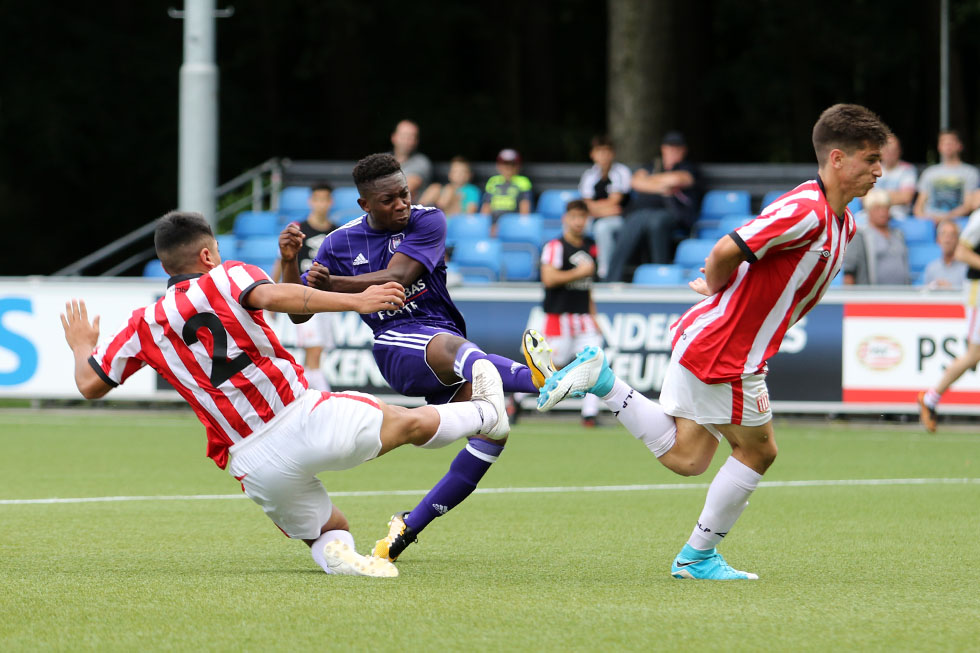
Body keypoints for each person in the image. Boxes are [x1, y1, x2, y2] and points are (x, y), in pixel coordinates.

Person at [534, 104, 889, 580]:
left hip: (714, 341)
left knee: (689, 457)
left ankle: (604, 383)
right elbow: (726, 248)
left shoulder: (841, 221)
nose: (878, 170)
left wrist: (728, 293)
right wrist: (722, 289)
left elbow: (760, 265)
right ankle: (697, 557)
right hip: (727, 353)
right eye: (870, 159)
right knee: (759, 451)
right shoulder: (807, 210)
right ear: (839, 159)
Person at [61, 211, 512, 578]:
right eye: (215, 250)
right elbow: (282, 299)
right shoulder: (228, 276)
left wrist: (83, 344)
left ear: (165, 267)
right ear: (206, 254)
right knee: (410, 423)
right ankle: (486, 412)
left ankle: (340, 559)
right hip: (299, 415)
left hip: (252, 461)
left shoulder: (143, 325)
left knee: (328, 529)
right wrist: (358, 299)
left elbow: (89, 384)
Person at [279, 153, 554, 563]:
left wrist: (334, 284)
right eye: (389, 200)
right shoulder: (339, 243)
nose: (402, 204)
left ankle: (407, 527)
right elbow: (299, 310)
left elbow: (400, 276)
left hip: (444, 345)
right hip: (397, 345)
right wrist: (288, 261)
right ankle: (541, 378)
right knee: (455, 349)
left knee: (494, 434)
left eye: (404, 194)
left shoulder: (429, 220)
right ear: (365, 206)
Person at [532, 199, 602, 426]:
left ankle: (589, 414)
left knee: (595, 360)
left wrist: (594, 316)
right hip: (558, 316)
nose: (579, 222)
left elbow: (587, 286)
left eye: (583, 217)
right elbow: (549, 279)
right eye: (574, 216)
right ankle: (517, 398)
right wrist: (579, 272)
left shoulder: (591, 245)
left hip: (582, 317)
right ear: (565, 219)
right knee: (552, 365)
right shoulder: (555, 246)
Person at [605, 131, 700, 281]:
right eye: (670, 147)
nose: (673, 151)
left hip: (673, 215)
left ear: (684, 151)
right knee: (634, 220)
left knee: (655, 221)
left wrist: (649, 181)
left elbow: (678, 179)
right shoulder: (652, 165)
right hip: (642, 214)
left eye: (677, 148)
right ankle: (612, 279)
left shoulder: (688, 167)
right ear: (663, 149)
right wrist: (662, 186)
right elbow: (635, 181)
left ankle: (659, 275)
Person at [270, 181, 338, 391]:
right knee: (314, 353)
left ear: (330, 202)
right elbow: (282, 260)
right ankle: (324, 400)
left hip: (326, 299)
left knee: (317, 354)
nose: (321, 204)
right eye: (317, 199)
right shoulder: (299, 229)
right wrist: (273, 294)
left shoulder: (336, 231)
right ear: (311, 201)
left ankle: (306, 397)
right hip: (303, 296)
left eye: (324, 200)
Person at [917, 207, 980, 431]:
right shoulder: (978, 219)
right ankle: (931, 398)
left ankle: (931, 398)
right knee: (974, 354)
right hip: (978, 290)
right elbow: (961, 253)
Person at [578, 135, 632, 280]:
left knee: (602, 228)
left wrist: (595, 210)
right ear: (593, 154)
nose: (603, 156)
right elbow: (586, 205)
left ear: (612, 154)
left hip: (621, 220)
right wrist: (602, 210)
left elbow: (615, 203)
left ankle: (605, 273)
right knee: (576, 224)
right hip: (597, 217)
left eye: (607, 151)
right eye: (599, 151)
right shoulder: (589, 175)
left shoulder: (622, 172)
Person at [842, 188, 909, 285]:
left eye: (886, 208)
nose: (883, 212)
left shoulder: (898, 235)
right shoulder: (859, 236)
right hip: (871, 295)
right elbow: (849, 271)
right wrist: (850, 297)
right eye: (877, 208)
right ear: (868, 210)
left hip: (900, 295)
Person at [913, 130, 979, 224]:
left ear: (960, 146)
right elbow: (918, 207)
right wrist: (926, 220)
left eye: (951, 142)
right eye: (944, 142)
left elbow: (968, 206)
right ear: (939, 147)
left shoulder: (970, 172)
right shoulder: (929, 172)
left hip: (957, 222)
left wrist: (945, 219)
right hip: (929, 222)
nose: (947, 146)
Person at [480, 148, 532, 224]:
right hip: (492, 224)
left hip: (513, 224)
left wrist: (517, 226)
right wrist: (485, 225)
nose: (508, 168)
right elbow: (486, 207)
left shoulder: (523, 182)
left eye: (512, 164)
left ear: (518, 166)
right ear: (498, 165)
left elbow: (524, 211)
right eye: (504, 163)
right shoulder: (493, 181)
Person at [876, 133, 918, 220]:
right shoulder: (873, 168)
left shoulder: (907, 169)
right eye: (887, 149)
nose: (890, 153)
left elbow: (906, 197)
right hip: (871, 216)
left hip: (898, 217)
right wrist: (894, 195)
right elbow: (863, 197)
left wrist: (876, 197)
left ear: (899, 151)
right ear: (880, 151)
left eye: (893, 150)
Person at [391, 119, 432, 201]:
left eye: (411, 137)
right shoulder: (382, 159)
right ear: (394, 137)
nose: (407, 141)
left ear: (416, 141)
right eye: (404, 136)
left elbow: (404, 189)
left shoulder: (421, 162)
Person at [922, 219, 967, 289]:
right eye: (943, 234)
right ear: (938, 239)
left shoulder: (967, 268)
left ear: (958, 239)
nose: (947, 239)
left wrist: (950, 289)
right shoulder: (931, 268)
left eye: (952, 234)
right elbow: (925, 295)